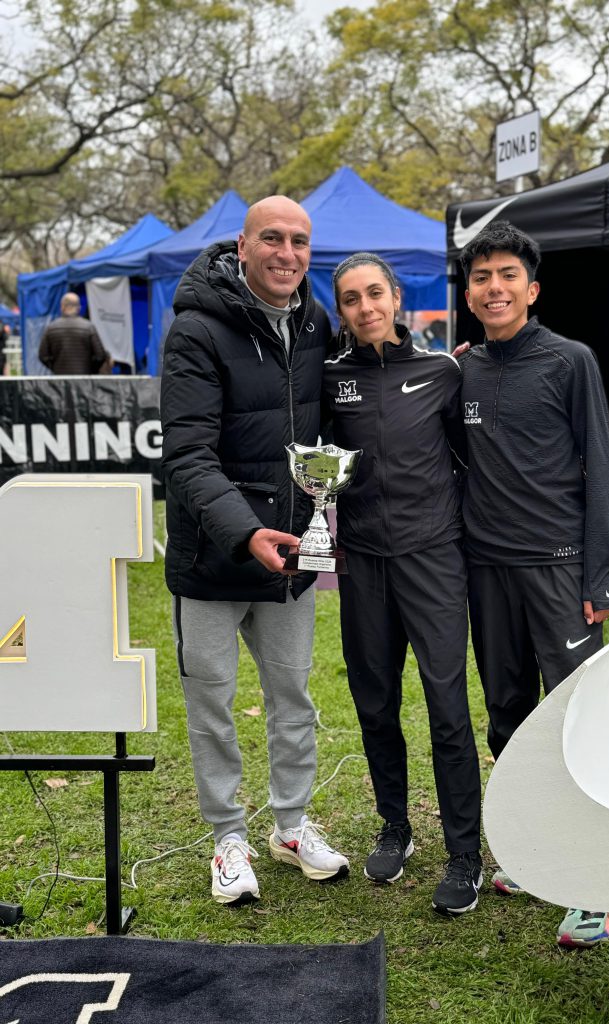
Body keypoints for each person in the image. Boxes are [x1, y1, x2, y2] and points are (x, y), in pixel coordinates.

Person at [161, 196, 349, 906]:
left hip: (293, 556)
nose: (287, 252)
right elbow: (186, 455)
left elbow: (343, 401)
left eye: (300, 241)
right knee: (211, 701)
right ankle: (227, 838)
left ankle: (292, 825)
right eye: (273, 238)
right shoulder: (196, 328)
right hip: (214, 559)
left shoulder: (314, 321)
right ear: (242, 246)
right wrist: (244, 531)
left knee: (292, 696)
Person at [459, 222, 609, 947]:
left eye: (507, 276)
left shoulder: (570, 360)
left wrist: (597, 577)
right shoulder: (461, 369)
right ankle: (539, 853)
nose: (494, 288)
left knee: (578, 729)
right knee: (510, 720)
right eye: (482, 276)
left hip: (558, 570)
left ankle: (596, 887)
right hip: (487, 571)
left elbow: (601, 470)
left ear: (532, 288)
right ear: (468, 292)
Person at [322, 253, 483, 916]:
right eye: (352, 299)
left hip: (433, 560)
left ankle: (465, 853)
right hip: (362, 563)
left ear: (396, 296)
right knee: (374, 704)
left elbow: (472, 458)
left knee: (447, 710)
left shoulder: (444, 370)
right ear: (343, 310)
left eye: (375, 294)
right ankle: (396, 826)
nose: (366, 308)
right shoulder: (329, 379)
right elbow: (308, 456)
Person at [38, 292, 112, 374]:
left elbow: (43, 356)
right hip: (84, 379)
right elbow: (100, 355)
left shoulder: (51, 328)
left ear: (62, 307)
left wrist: (55, 367)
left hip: (60, 381)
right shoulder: (88, 327)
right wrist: (91, 369)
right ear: (79, 308)